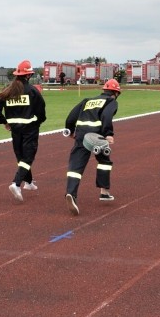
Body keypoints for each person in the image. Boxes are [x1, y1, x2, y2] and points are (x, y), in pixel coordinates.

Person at [63, 79, 121, 215]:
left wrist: (70, 130)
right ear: (115, 93)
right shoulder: (111, 101)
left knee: (75, 166)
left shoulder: (87, 100)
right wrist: (109, 134)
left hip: (81, 134)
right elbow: (106, 116)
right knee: (104, 162)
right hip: (97, 136)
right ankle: (104, 192)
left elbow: (71, 116)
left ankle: (71, 193)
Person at [0, 60, 47, 201]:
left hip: (15, 129)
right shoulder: (33, 90)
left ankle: (28, 183)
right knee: (28, 157)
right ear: (29, 75)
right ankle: (16, 184)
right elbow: (41, 111)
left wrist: (4, 121)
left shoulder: (8, 90)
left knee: (21, 157)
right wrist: (38, 122)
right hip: (30, 129)